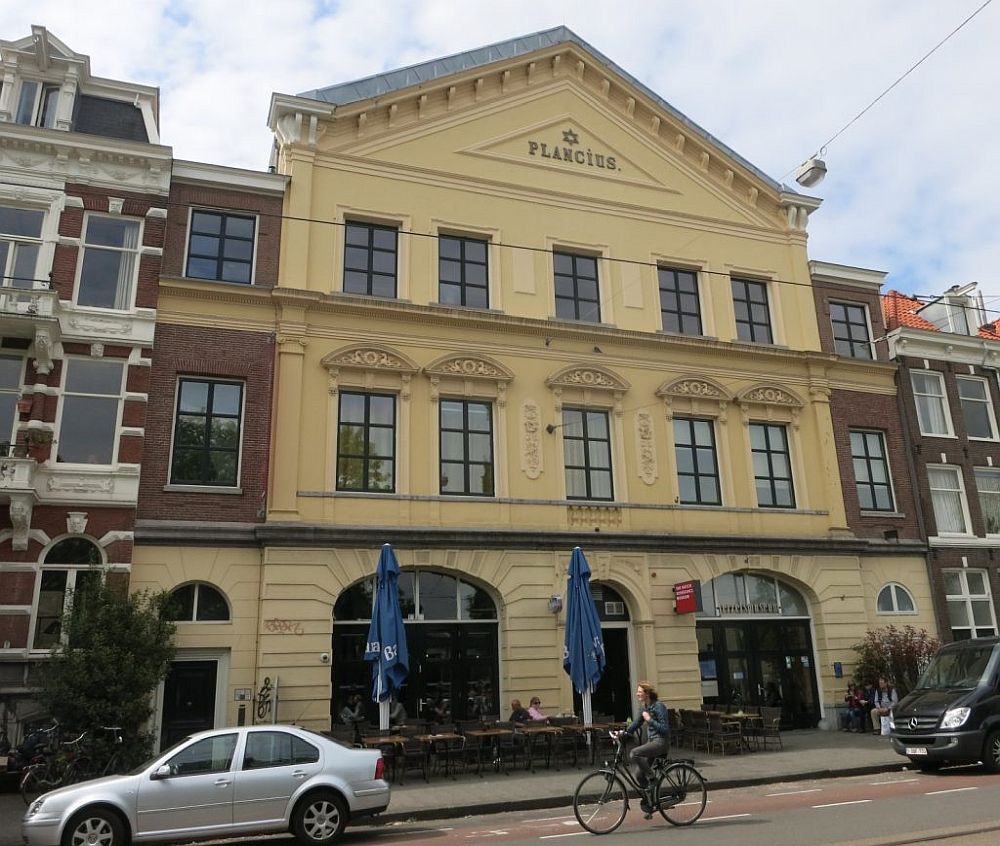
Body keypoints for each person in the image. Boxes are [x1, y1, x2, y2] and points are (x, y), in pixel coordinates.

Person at [620, 681, 670, 815]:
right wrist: (623, 733)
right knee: (638, 774)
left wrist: (649, 720)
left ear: (647, 694)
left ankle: (653, 779)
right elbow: (636, 723)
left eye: (640, 692)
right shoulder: (644, 708)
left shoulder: (659, 706)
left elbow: (665, 729)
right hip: (652, 742)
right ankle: (651, 800)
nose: (637, 694)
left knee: (634, 753)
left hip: (661, 742)